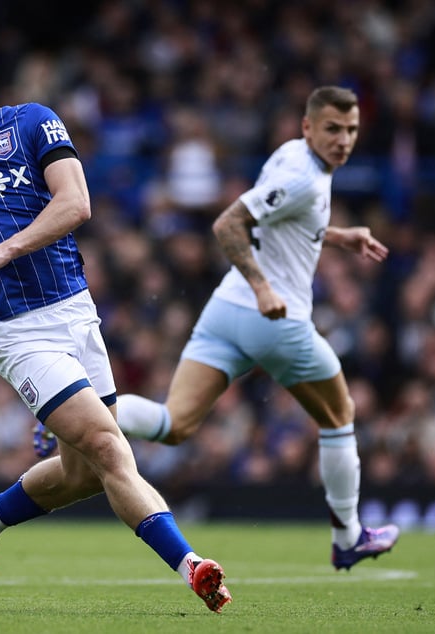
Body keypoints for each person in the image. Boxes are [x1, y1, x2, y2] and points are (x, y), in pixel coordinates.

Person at [0, 36, 231, 613]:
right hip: (14, 330)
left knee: (82, 473)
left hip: (76, 312)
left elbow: (76, 202)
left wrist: (4, 248)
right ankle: (192, 566)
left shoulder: (31, 124)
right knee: (109, 446)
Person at [109, 85, 400, 571]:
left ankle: (80, 416)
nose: (343, 140)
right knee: (339, 415)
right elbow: (228, 225)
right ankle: (348, 536)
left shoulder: (293, 157)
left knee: (173, 423)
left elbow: (279, 219)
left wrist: (340, 237)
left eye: (351, 130)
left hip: (225, 311)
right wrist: (264, 287)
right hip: (273, 319)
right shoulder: (306, 177)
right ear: (308, 127)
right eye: (332, 128)